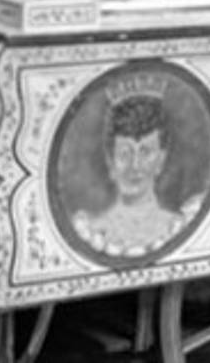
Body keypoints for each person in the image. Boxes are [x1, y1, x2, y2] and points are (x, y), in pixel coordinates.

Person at [72, 93, 193, 257]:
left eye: (146, 152)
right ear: (110, 161)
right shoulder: (93, 233)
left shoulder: (177, 227)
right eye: (124, 153)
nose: (135, 166)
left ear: (161, 160)